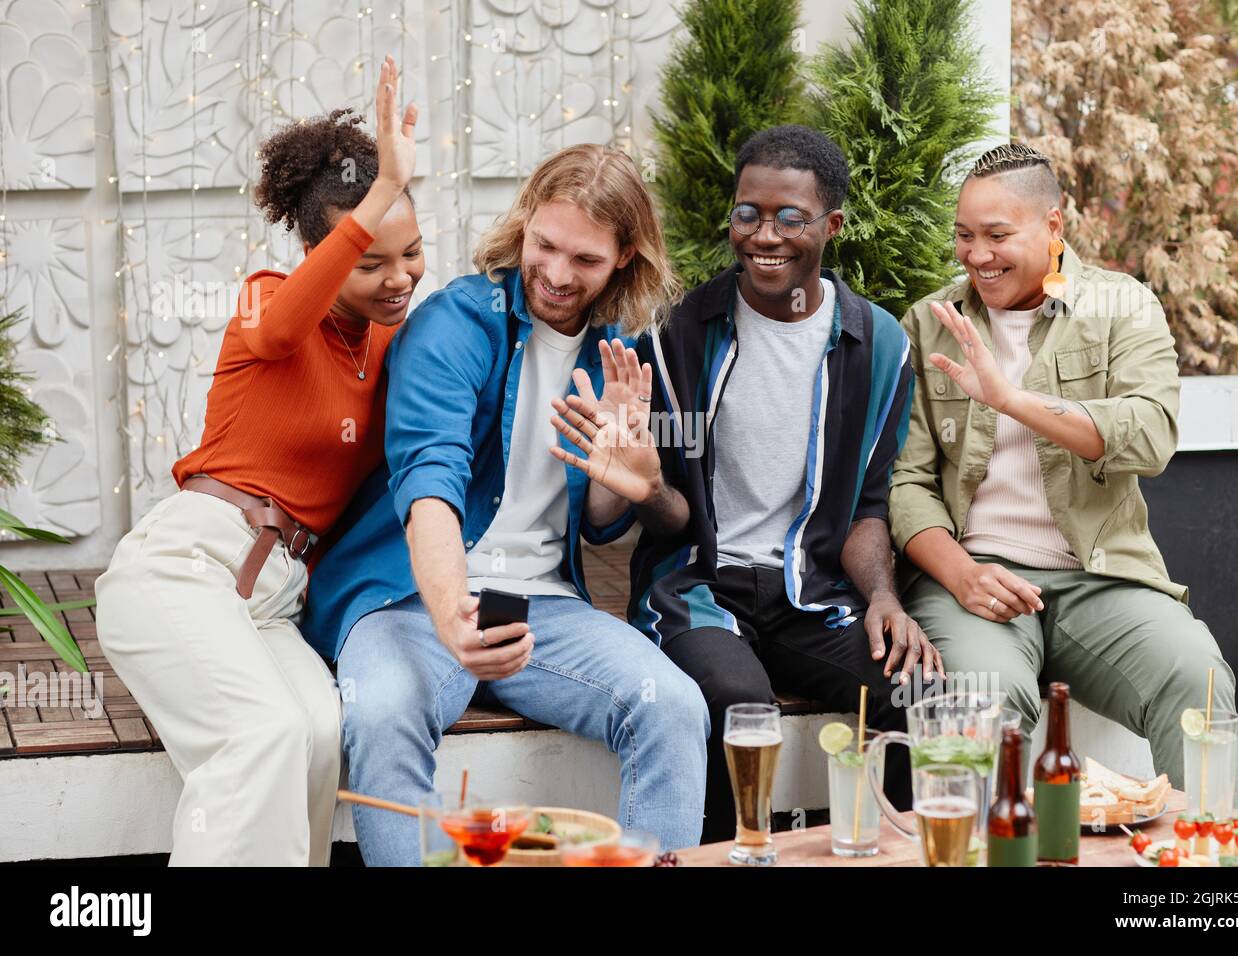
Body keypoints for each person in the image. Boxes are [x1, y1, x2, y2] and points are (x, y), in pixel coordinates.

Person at [300, 143, 710, 865]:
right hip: (411, 596)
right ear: (524, 225)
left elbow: (596, 527)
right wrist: (454, 614)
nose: (555, 273)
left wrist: (622, 478)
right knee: (386, 710)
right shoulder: (455, 323)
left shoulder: (616, 352)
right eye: (544, 245)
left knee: (675, 706)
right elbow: (429, 484)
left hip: (542, 607)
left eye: (584, 260)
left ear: (624, 258)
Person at [93, 57, 423, 865]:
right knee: (263, 735)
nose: (399, 278)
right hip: (187, 567)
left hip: (274, 598)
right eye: (369, 261)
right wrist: (379, 192)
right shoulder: (265, 300)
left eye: (411, 252)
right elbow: (281, 329)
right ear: (322, 253)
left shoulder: (392, 345)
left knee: (315, 734)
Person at [890, 142, 1238, 795]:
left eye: (998, 235)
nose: (977, 254)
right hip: (975, 580)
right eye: (964, 236)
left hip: (1100, 579)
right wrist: (962, 575)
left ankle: (1212, 878)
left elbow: (1151, 434)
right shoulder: (929, 322)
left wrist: (1012, 400)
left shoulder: (1123, 307)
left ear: (1054, 225)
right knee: (984, 701)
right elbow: (905, 482)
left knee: (1196, 678)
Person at [627, 125, 942, 844]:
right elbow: (670, 510)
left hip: (812, 593)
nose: (764, 233)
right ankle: (724, 858)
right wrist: (644, 487)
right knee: (742, 706)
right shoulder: (679, 335)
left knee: (915, 688)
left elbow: (866, 507)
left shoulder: (878, 344)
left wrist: (884, 599)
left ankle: (887, 852)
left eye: (789, 217)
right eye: (749, 213)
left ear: (831, 225)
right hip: (700, 586)